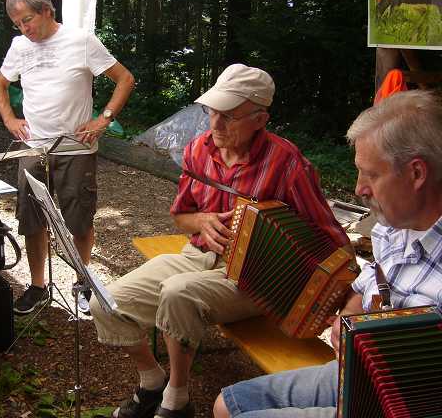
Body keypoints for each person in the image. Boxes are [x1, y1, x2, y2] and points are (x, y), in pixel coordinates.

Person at [89, 64, 352, 418]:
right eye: (212, 111)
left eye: (229, 116)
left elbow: (331, 237)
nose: (215, 124)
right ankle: (152, 380)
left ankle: (176, 399)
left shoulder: (287, 163)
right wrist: (201, 221)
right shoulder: (199, 149)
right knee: (105, 301)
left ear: (260, 119)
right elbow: (180, 215)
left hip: (253, 278)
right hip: (196, 255)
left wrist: (339, 297)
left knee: (178, 293)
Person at [213, 89, 442, 418]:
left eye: (372, 174)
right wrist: (348, 319)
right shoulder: (393, 227)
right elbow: (367, 287)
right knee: (227, 405)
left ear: (417, 173)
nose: (359, 188)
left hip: (404, 405)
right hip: (359, 371)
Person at [0, 0, 135, 315]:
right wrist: (10, 118)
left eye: (28, 20)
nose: (25, 29)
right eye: (18, 24)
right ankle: (39, 287)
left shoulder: (81, 41)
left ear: (47, 10)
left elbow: (125, 78)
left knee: (79, 221)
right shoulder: (19, 47)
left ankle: (83, 283)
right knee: (31, 220)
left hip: (76, 148)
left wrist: (104, 118)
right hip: (32, 147)